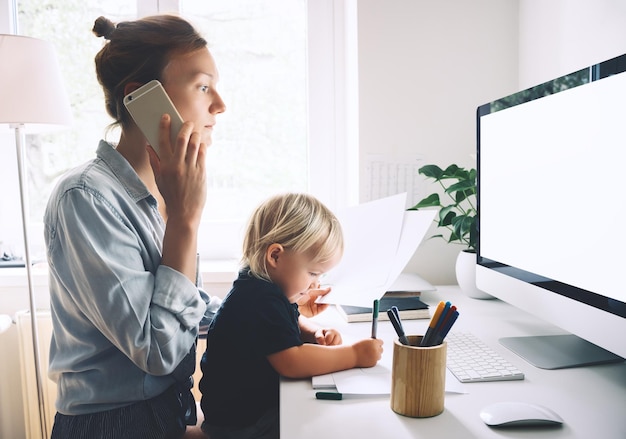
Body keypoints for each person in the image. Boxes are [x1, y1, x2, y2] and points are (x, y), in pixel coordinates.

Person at [44, 14, 225, 438]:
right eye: (202, 86)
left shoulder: (160, 192)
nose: (219, 103)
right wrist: (185, 219)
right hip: (113, 425)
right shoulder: (85, 198)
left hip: (167, 410)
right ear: (141, 96)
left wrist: (274, 309)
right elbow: (158, 348)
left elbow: (184, 305)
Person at [199, 193, 384, 439]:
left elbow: (288, 321)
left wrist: (312, 331)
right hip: (241, 425)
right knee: (327, 425)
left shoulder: (261, 285)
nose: (314, 283)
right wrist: (355, 355)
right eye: (312, 273)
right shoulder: (260, 299)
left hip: (242, 412)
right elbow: (292, 362)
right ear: (275, 256)